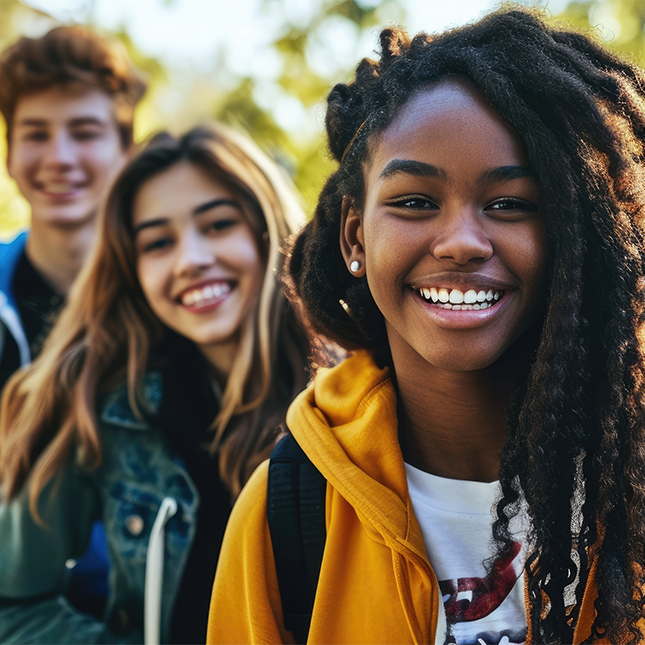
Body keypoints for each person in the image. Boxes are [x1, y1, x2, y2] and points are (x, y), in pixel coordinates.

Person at [207, 7, 645, 645]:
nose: (462, 242)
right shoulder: (289, 508)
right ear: (355, 235)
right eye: (414, 201)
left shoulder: (629, 475)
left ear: (576, 238)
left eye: (510, 204)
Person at [0, 124, 311, 645]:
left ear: (268, 230)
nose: (190, 259)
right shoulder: (99, 404)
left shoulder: (365, 393)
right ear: (132, 267)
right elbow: (13, 606)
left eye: (216, 225)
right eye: (159, 242)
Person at [0, 25, 146, 392]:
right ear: (9, 155)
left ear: (126, 153)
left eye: (85, 133)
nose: (59, 158)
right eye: (36, 134)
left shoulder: (170, 292)